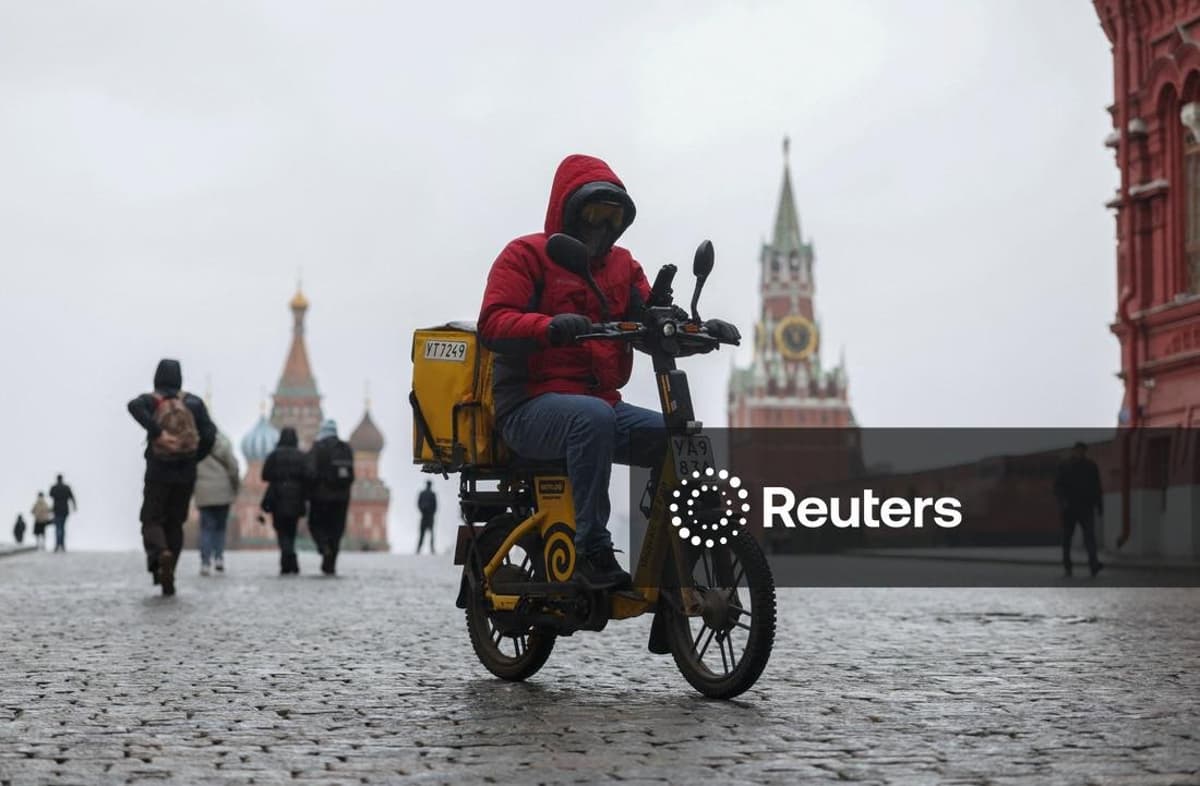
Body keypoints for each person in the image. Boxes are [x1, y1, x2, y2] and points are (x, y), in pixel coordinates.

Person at [477, 153, 739, 587]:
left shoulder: (623, 266)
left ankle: (675, 540)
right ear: (568, 211)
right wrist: (548, 328)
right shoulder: (526, 255)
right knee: (592, 419)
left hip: (601, 404)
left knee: (681, 436)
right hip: (527, 408)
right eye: (593, 213)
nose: (601, 226)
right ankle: (592, 549)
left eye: (612, 217)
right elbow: (493, 322)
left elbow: (649, 316)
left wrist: (697, 330)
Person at [128, 358, 217, 596]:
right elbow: (210, 433)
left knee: (152, 519)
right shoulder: (193, 403)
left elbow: (133, 406)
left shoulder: (152, 400)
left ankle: (160, 554)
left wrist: (157, 433)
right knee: (175, 522)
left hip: (158, 470)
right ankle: (171, 569)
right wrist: (194, 456)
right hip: (185, 473)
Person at [306, 419, 354, 576]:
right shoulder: (345, 447)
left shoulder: (318, 447)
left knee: (316, 525)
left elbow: (310, 472)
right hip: (341, 498)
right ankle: (330, 564)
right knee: (336, 530)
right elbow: (351, 475)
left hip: (320, 497)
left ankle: (323, 546)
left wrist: (311, 490)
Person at [262, 427, 310, 576]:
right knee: (291, 530)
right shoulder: (301, 456)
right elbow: (307, 476)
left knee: (281, 530)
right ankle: (291, 560)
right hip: (296, 498)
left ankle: (287, 561)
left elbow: (265, 475)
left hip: (278, 497)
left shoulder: (274, 455)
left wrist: (279, 478)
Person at [1054, 441, 1105, 578]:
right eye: (1078, 450)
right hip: (1069, 508)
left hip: (1085, 507)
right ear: (1074, 451)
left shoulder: (1091, 466)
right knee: (1067, 538)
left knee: (1089, 537)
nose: (1080, 453)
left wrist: (1099, 506)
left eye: (1082, 451)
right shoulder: (1064, 466)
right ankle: (1068, 566)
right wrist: (1063, 503)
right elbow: (1058, 487)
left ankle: (1093, 565)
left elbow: (1097, 487)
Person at [193, 431, 240, 576]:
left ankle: (205, 562)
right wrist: (235, 487)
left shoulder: (196, 448)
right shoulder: (223, 447)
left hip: (204, 493)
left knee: (206, 528)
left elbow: (190, 470)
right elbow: (234, 468)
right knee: (220, 528)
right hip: (223, 492)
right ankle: (219, 558)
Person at [48, 474, 77, 553]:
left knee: (58, 528)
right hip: (64, 510)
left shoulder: (54, 487)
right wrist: (74, 506)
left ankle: (58, 545)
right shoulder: (66, 487)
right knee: (62, 528)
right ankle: (62, 545)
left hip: (57, 510)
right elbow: (72, 497)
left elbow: (50, 495)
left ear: (57, 479)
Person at [417, 481, 436, 555]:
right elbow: (435, 506)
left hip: (426, 516)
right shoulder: (432, 494)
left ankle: (420, 548)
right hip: (428, 516)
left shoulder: (424, 493)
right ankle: (429, 548)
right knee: (427, 534)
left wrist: (422, 510)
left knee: (424, 534)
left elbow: (418, 503)